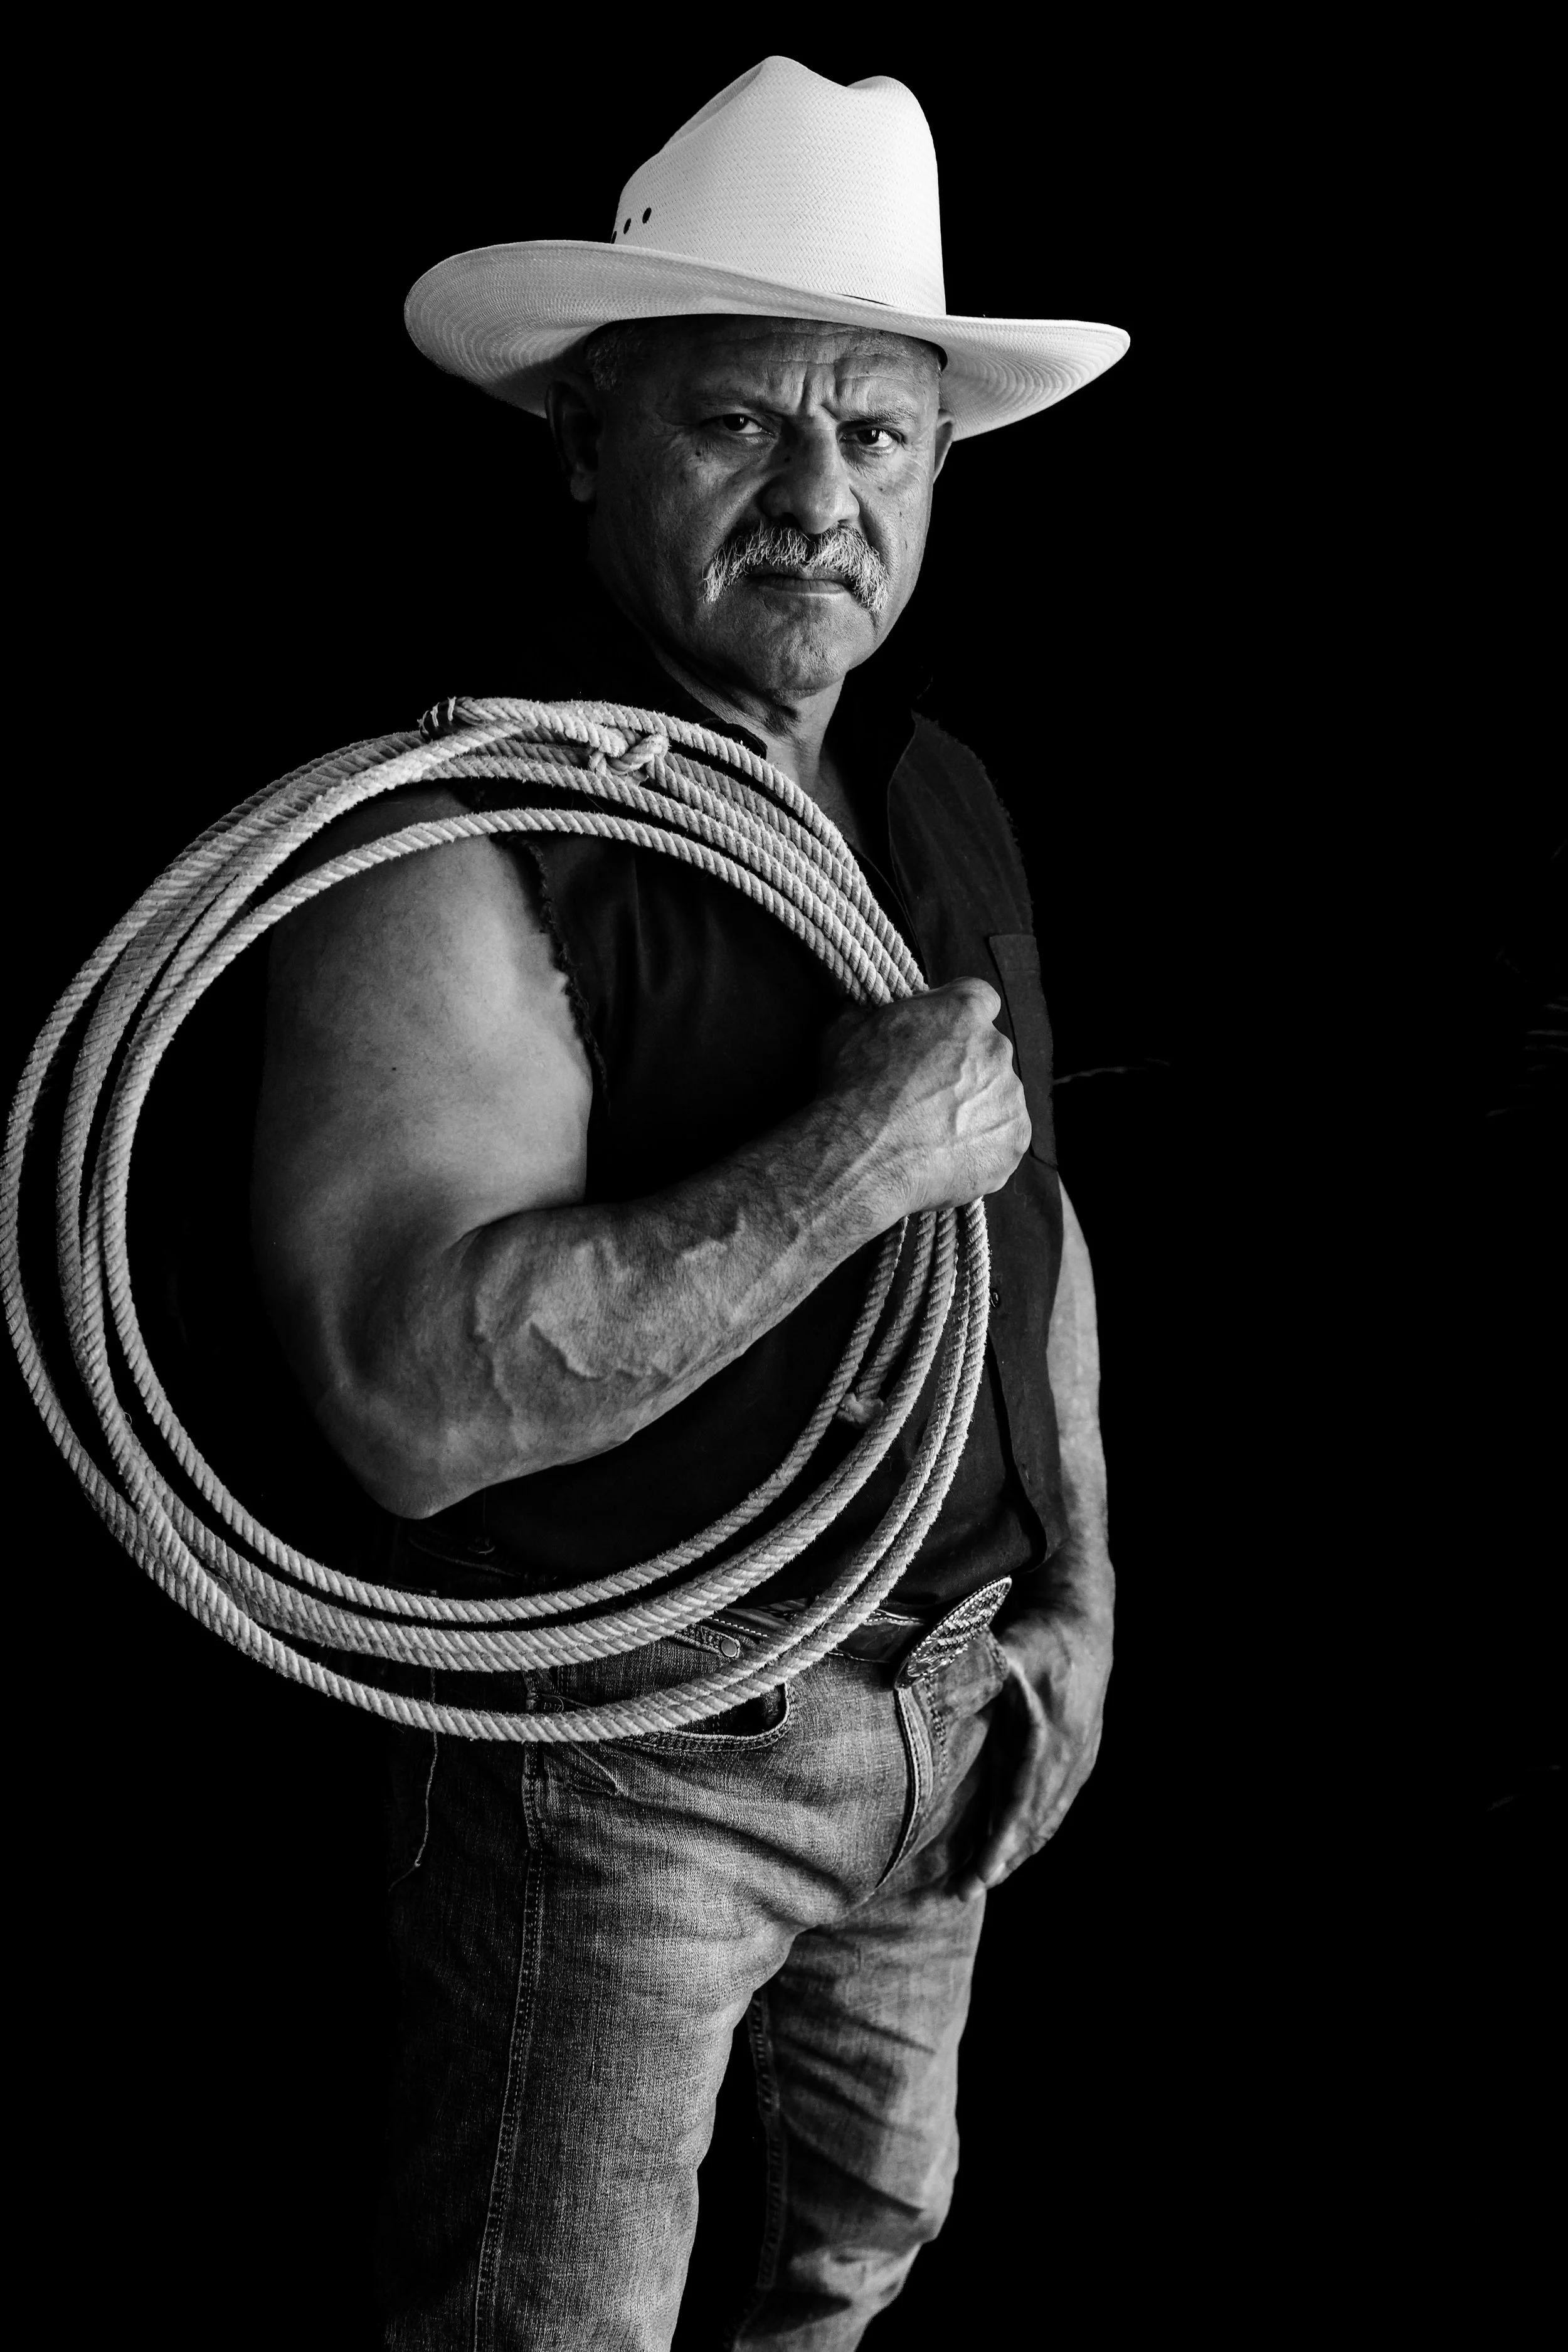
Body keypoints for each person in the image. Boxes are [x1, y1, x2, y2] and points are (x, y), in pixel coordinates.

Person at [249, 56, 1126, 2351]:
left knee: (846, 2276)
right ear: (589, 440)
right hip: (637, 1758)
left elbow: (1033, 1230)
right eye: (741, 424)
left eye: (882, 434)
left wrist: (1083, 1599)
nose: (822, 495)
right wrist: (850, 1150)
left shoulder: (941, 797)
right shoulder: (466, 831)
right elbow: (410, 1400)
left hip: (954, 1718)